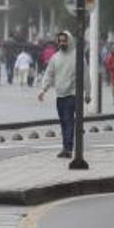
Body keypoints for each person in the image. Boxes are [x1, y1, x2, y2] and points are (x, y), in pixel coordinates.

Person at [38, 31, 90, 159]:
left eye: (64, 40)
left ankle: (68, 149)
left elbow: (86, 76)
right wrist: (43, 90)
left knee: (68, 121)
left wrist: (88, 93)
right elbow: (49, 74)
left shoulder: (78, 57)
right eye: (60, 40)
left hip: (73, 95)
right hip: (60, 95)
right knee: (64, 122)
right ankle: (66, 147)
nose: (62, 43)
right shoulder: (55, 57)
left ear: (70, 41)